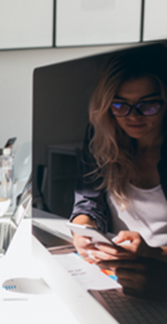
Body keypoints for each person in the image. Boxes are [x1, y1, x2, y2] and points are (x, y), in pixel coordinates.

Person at [70, 47, 167, 268]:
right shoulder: (101, 138)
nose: (133, 116)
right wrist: (84, 232)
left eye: (148, 104)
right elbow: (88, 202)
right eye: (120, 105)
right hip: (114, 267)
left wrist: (152, 254)